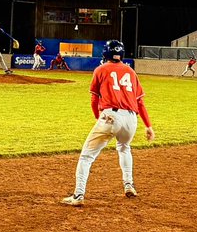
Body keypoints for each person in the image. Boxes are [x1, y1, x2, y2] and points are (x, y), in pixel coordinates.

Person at [61, 39, 155, 207]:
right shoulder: (131, 72)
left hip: (111, 115)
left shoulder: (101, 69)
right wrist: (148, 126)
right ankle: (129, 185)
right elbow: (140, 102)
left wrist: (99, 118)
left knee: (86, 156)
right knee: (124, 148)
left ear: (105, 53)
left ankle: (78, 195)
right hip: (131, 119)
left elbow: (93, 99)